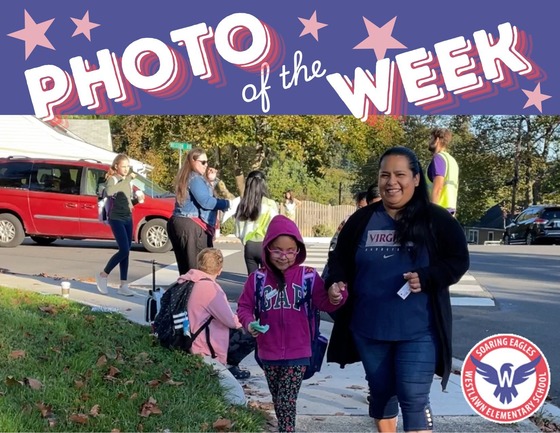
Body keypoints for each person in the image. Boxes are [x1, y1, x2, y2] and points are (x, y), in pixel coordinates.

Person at [325, 146, 469, 433]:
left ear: (416, 179)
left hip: (419, 329)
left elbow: (458, 260)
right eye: (385, 175)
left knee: (413, 398)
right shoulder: (361, 220)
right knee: (381, 392)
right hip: (369, 328)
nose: (392, 182)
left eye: (400, 174)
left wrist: (428, 277)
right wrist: (335, 284)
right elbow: (338, 260)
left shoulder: (437, 220)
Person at [237, 215, 347, 433]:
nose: (284, 256)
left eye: (290, 250)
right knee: (278, 398)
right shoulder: (257, 279)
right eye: (277, 250)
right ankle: (284, 427)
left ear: (298, 250)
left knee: (287, 400)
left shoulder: (307, 276)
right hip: (267, 352)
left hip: (298, 351)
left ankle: (287, 430)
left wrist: (336, 297)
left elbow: (324, 303)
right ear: (267, 248)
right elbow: (244, 307)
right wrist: (249, 323)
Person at [185, 248, 253, 379]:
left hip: (187, 336)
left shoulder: (187, 280)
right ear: (220, 269)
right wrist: (248, 322)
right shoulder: (211, 289)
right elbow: (231, 321)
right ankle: (230, 365)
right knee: (251, 332)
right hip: (203, 344)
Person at [167, 148, 230, 275]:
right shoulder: (195, 178)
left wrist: (211, 180)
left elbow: (203, 195)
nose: (206, 165)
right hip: (192, 225)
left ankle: (185, 293)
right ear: (193, 161)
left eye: (207, 162)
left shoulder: (186, 176)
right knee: (197, 271)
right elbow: (206, 201)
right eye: (203, 162)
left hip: (180, 222)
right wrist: (227, 204)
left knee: (185, 271)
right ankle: (194, 294)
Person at [95, 153, 141, 297]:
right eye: (124, 166)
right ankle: (103, 275)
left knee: (127, 251)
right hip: (116, 218)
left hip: (128, 217)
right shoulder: (113, 179)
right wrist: (127, 179)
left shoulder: (127, 182)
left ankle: (123, 285)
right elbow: (109, 192)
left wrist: (137, 200)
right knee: (124, 250)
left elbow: (127, 201)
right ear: (116, 166)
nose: (127, 169)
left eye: (128, 167)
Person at [235, 170, 279, 274]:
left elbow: (238, 230)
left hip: (249, 246)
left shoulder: (243, 204)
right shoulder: (270, 204)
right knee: (268, 281)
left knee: (253, 281)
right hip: (265, 246)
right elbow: (276, 227)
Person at [425, 127, 459, 215]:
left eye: (431, 138)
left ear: (437, 140)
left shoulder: (438, 159)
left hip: (438, 211)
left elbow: (438, 187)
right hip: (449, 211)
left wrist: (431, 213)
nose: (429, 141)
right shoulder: (451, 160)